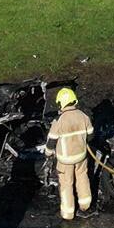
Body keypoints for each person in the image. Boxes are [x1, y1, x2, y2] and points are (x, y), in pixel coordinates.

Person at [45, 87, 94, 220]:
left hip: (65, 160)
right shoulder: (84, 116)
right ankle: (85, 206)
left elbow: (51, 141)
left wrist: (48, 153)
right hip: (81, 156)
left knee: (66, 184)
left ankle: (68, 213)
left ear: (61, 103)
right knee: (83, 178)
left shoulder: (59, 120)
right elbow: (90, 136)